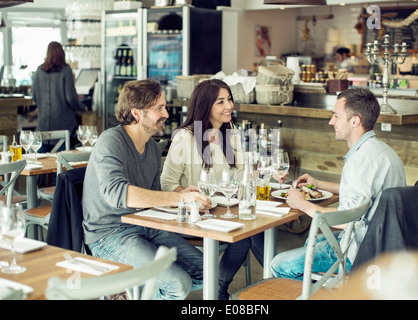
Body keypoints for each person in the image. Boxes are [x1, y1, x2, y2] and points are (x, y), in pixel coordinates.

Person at [82, 79, 211, 300]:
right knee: (178, 285)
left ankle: (129, 293)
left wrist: (181, 196)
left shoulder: (152, 147)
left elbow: (153, 199)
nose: (166, 114)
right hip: (109, 234)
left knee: (207, 272)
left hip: (144, 226)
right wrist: (177, 198)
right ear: (137, 113)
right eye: (159, 108)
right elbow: (117, 194)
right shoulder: (111, 141)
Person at [271, 87, 406, 279]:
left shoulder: (361, 161)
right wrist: (319, 184)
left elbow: (347, 219)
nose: (331, 121)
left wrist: (302, 204)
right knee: (312, 240)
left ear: (355, 121)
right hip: (383, 243)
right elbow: (366, 197)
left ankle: (328, 292)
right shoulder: (379, 151)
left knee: (280, 265)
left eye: (336, 116)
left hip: (362, 252)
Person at [160, 79, 264, 299]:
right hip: (195, 215)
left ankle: (218, 287)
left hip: (224, 208)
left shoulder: (230, 133)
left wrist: (261, 175)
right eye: (220, 102)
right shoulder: (185, 137)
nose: (229, 106)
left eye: (229, 100)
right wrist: (190, 196)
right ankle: (285, 281)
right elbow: (167, 182)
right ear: (206, 105)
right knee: (245, 232)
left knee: (252, 228)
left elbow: (241, 173)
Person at [32, 41, 85, 150]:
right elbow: (71, 98)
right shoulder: (66, 71)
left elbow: (35, 98)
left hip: (43, 127)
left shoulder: (39, 71)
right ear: (62, 53)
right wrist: (82, 107)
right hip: (63, 127)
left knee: (44, 162)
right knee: (62, 161)